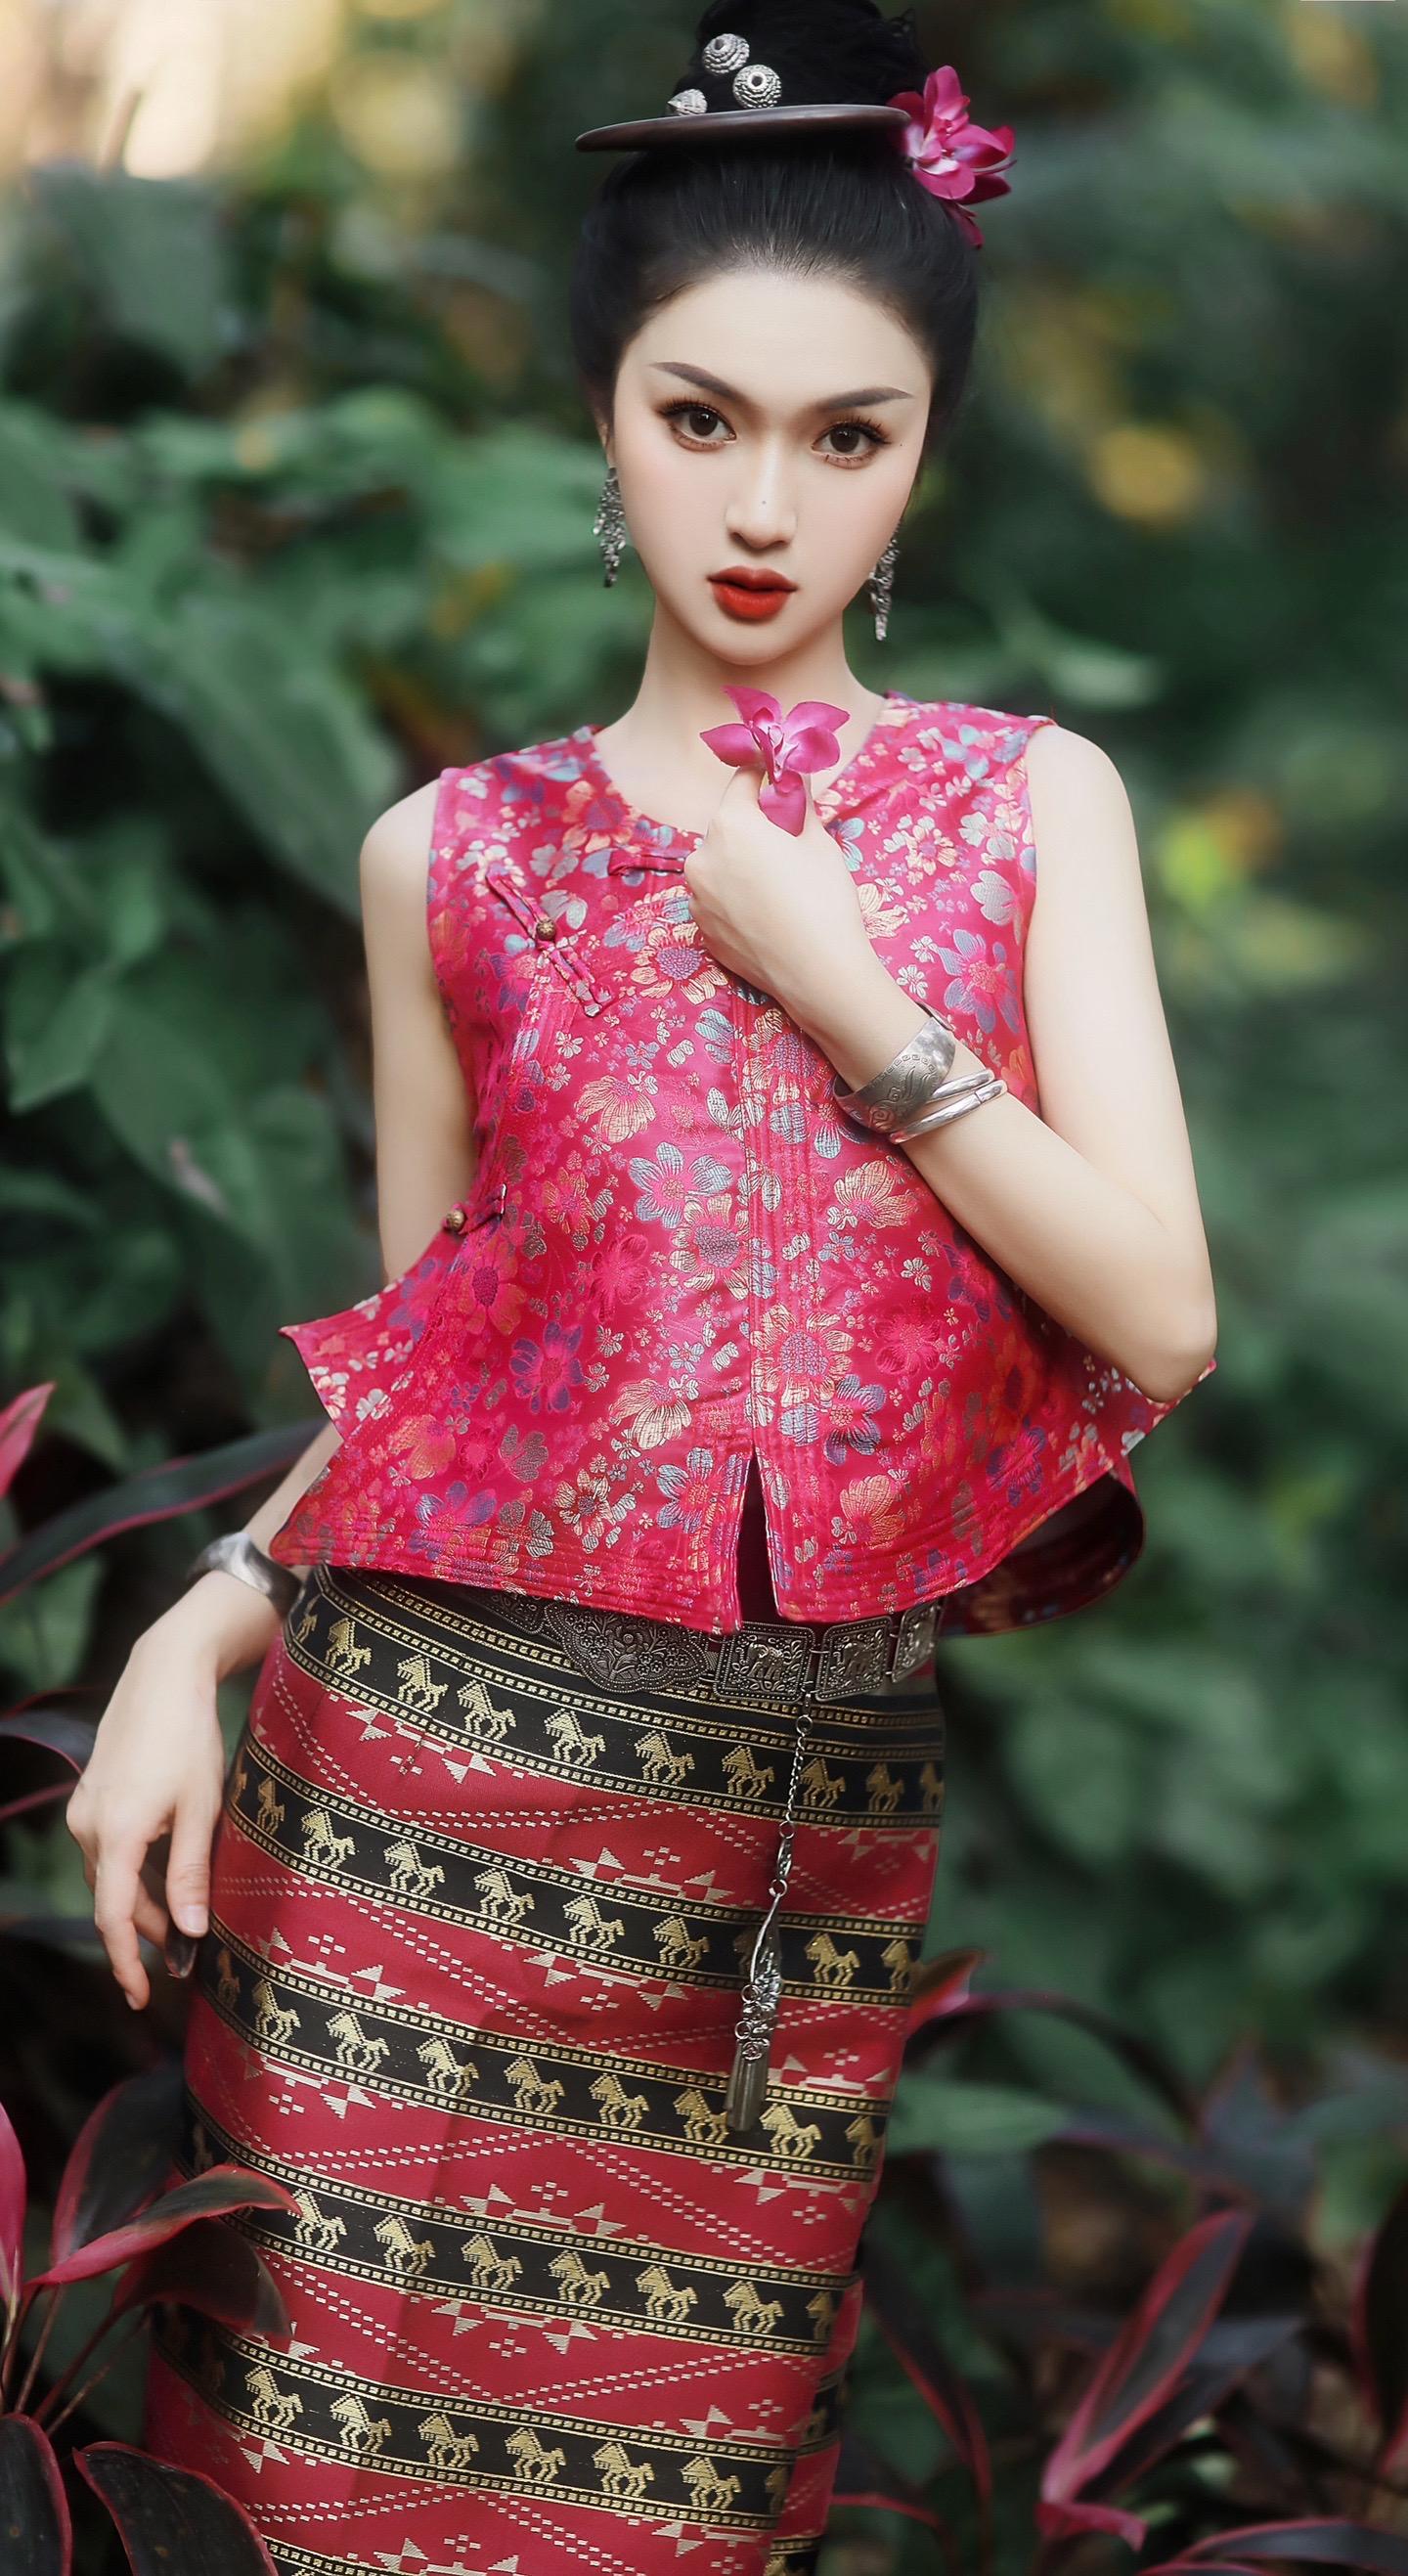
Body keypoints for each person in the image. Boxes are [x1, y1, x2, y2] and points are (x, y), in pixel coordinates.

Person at [65, 4, 1217, 2569]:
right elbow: (450, 1381)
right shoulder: (449, 855)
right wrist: (198, 1629)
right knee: (304, 2508)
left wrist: (852, 997)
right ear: (604, 414)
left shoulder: (1032, 805)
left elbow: (1163, 1315)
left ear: (922, 453)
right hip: (402, 1821)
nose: (765, 504)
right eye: (702, 420)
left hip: (777, 1855)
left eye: (847, 435)